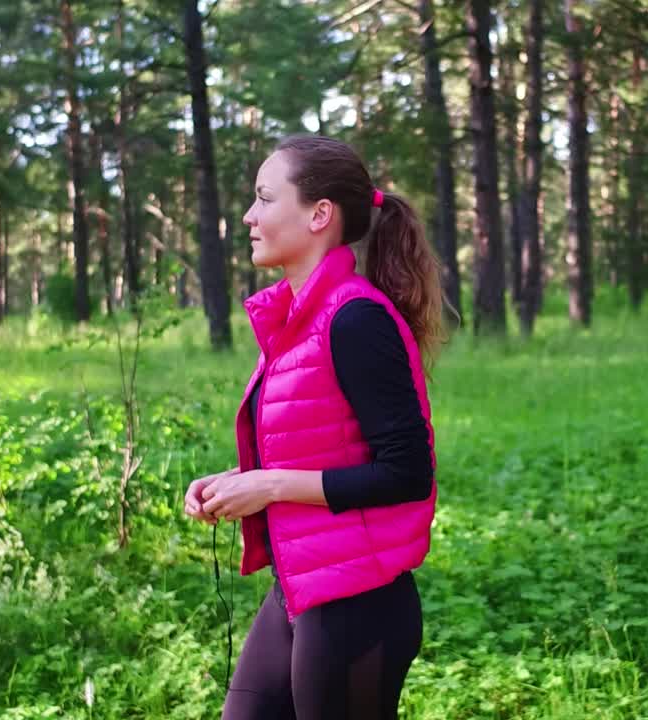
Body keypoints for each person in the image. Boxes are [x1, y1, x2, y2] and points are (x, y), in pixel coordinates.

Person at [183, 134, 447, 720]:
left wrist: (271, 485)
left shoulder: (355, 318)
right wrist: (236, 483)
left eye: (264, 198)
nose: (250, 215)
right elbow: (320, 448)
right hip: (303, 589)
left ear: (319, 214)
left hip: (360, 600)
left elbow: (406, 473)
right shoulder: (296, 321)